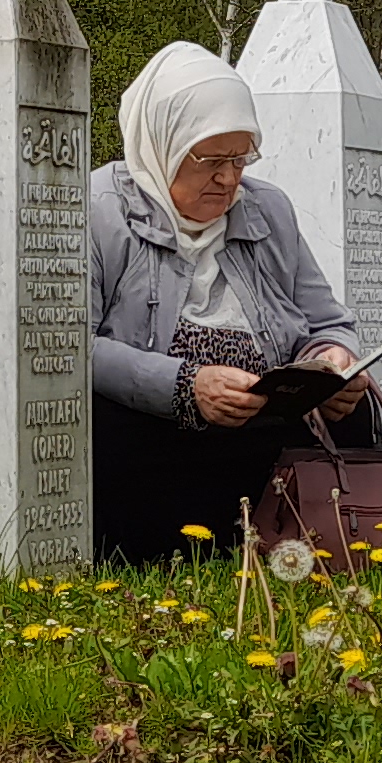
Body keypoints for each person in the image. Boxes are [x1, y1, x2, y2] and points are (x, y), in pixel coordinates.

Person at [89, 42, 363, 563]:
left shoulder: (267, 208)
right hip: (159, 427)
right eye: (211, 160)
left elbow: (328, 321)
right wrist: (184, 386)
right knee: (115, 426)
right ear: (162, 142)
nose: (229, 178)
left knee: (355, 407)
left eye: (240, 158)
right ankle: (166, 549)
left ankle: (317, 540)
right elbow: (72, 348)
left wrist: (334, 360)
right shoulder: (99, 210)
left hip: (265, 420)